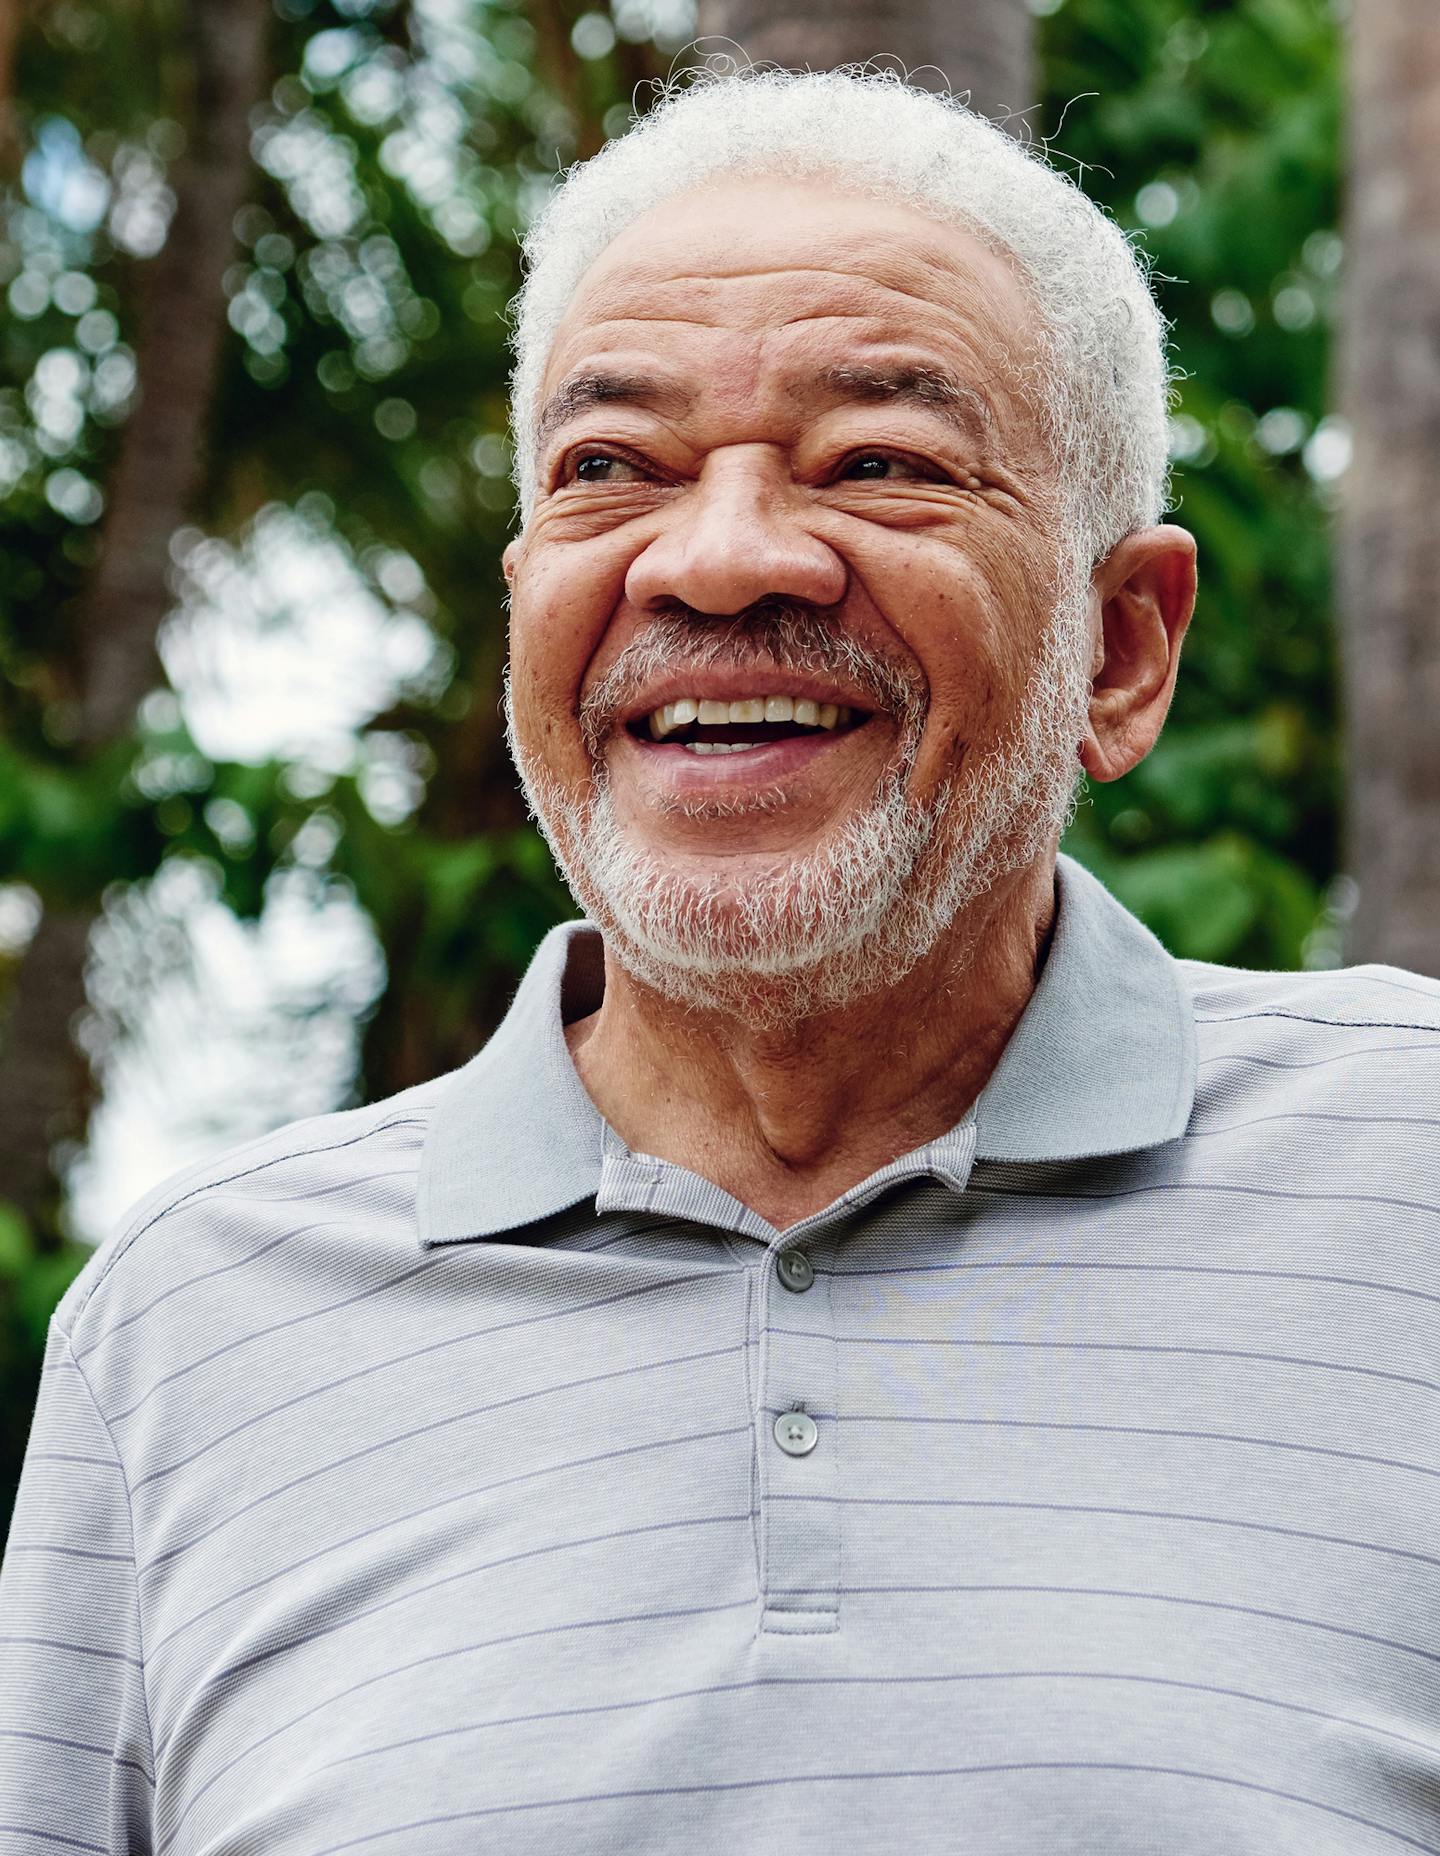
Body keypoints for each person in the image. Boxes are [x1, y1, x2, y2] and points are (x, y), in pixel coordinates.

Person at [3, 63, 1438, 1856]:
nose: (727, 554)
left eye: (881, 463)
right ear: (525, 593)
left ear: (1123, 649)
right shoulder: (189, 1326)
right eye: (613, 468)